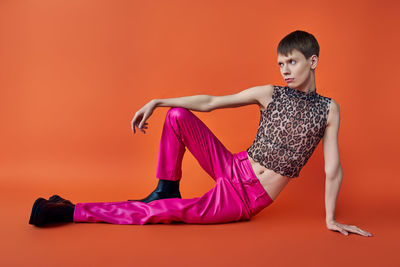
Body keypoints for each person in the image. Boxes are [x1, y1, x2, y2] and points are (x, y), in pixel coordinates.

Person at [29, 30, 372, 237]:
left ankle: (71, 211)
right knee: (178, 116)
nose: (284, 70)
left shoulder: (328, 109)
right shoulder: (271, 93)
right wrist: (158, 101)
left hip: (245, 199)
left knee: (163, 214)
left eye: (292, 62)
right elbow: (210, 102)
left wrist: (330, 218)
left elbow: (333, 169)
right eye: (280, 63)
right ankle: (166, 186)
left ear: (312, 61)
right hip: (234, 166)